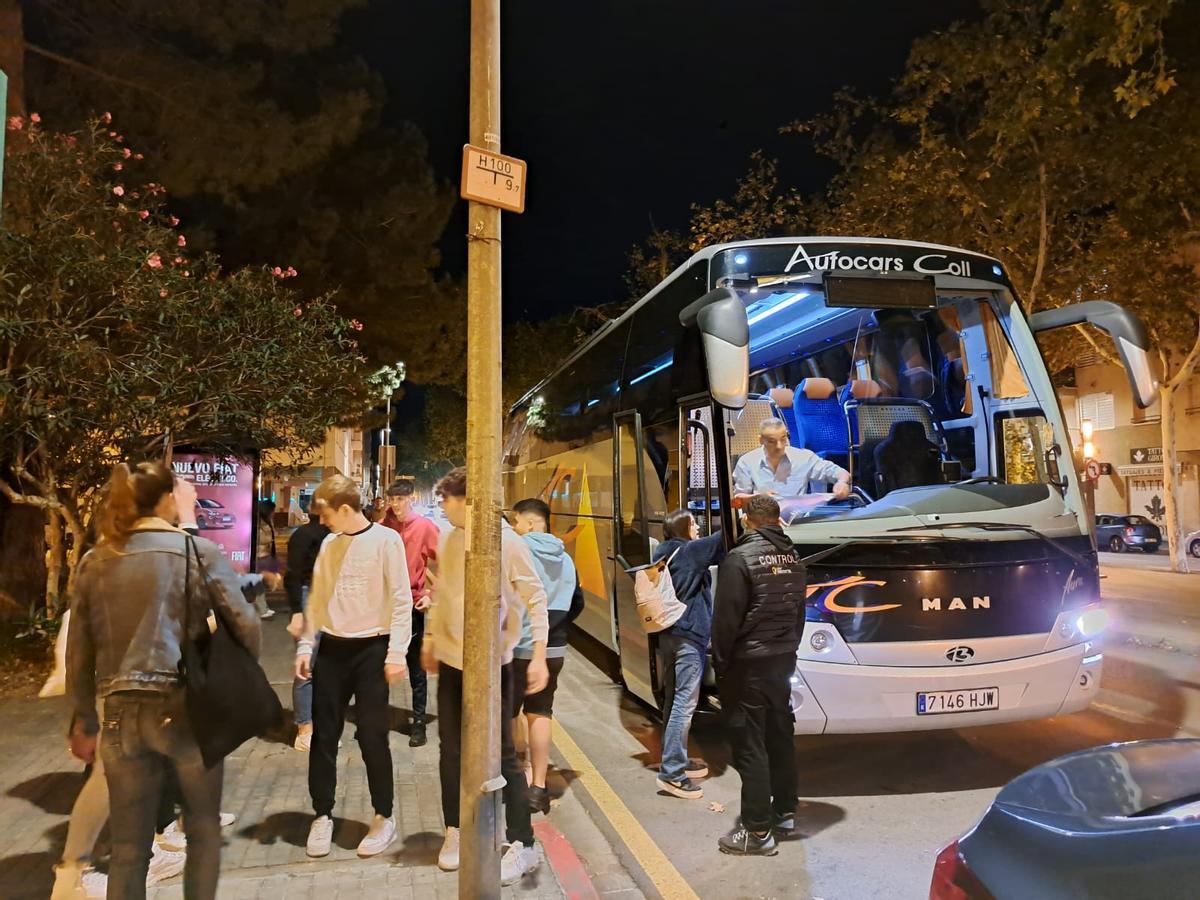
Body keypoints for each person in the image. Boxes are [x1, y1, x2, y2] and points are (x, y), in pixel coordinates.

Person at [66, 461, 261, 899]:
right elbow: (245, 625)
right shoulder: (195, 552)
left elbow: (79, 649)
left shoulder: (96, 560)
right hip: (185, 707)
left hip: (118, 712)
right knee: (204, 830)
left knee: (129, 848)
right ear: (166, 500)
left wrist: (81, 717)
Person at [421, 467, 549, 886]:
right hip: (452, 661)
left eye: (448, 500)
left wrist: (540, 657)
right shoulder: (450, 536)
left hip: (497, 664)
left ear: (469, 500)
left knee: (503, 755)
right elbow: (444, 593)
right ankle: (455, 831)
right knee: (451, 751)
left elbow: (535, 596)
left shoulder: (507, 541)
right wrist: (430, 640)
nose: (443, 507)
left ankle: (523, 843)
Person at [295, 475, 413, 860]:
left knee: (372, 736)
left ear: (345, 509)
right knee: (324, 736)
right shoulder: (329, 544)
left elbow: (400, 599)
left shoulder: (386, 541)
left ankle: (384, 815)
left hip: (372, 651)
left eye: (327, 514)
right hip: (332, 649)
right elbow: (319, 597)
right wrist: (305, 645)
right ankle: (322, 814)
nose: (323, 521)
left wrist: (396, 653)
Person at [711, 494, 805, 856]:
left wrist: (721, 666)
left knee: (750, 746)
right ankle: (784, 812)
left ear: (748, 521)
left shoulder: (740, 559)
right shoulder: (794, 557)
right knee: (780, 735)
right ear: (777, 520)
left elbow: (726, 622)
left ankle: (756, 831)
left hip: (747, 663)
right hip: (782, 660)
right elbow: (798, 614)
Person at [510, 498, 585, 814]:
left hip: (519, 646)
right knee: (541, 713)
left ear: (529, 523)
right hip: (554, 648)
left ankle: (516, 776)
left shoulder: (517, 550)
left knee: (513, 712)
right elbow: (577, 602)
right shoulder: (566, 558)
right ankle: (539, 788)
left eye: (516, 522)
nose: (514, 528)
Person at [651, 509, 726, 800]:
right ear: (682, 527)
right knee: (685, 703)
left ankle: (676, 759)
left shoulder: (664, 552)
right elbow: (725, 538)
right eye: (693, 523)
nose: (698, 527)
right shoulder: (689, 552)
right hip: (688, 636)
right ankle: (672, 773)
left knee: (673, 699)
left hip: (668, 634)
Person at [380, 478, 440, 747]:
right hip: (385, 606)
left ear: (411, 498)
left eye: (401, 499)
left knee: (416, 667)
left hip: (413, 605)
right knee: (378, 663)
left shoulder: (425, 527)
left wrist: (431, 594)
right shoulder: (383, 525)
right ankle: (375, 720)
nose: (396, 504)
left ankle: (418, 723)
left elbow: (447, 562)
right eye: (392, 499)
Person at [285, 498, 330, 752]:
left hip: (323, 598)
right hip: (309, 596)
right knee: (308, 665)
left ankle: (311, 726)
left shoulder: (335, 535)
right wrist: (296, 612)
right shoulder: (306, 535)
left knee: (315, 666)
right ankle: (305, 728)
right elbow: (293, 575)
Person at [733, 418, 851, 500]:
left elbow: (840, 472)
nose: (779, 446)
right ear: (761, 440)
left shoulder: (802, 457)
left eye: (783, 439)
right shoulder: (747, 462)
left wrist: (842, 482)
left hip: (797, 520)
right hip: (762, 522)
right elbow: (738, 500)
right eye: (772, 441)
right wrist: (758, 498)